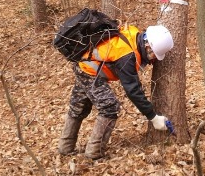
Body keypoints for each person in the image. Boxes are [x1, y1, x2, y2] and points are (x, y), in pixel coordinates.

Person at [58, 24, 174, 160]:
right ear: (148, 46)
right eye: (154, 55)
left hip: (83, 65)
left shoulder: (133, 34)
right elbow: (133, 90)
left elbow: (132, 82)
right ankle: (94, 153)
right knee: (109, 107)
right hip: (89, 71)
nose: (152, 60)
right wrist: (153, 117)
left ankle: (65, 146)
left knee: (79, 106)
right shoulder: (127, 56)